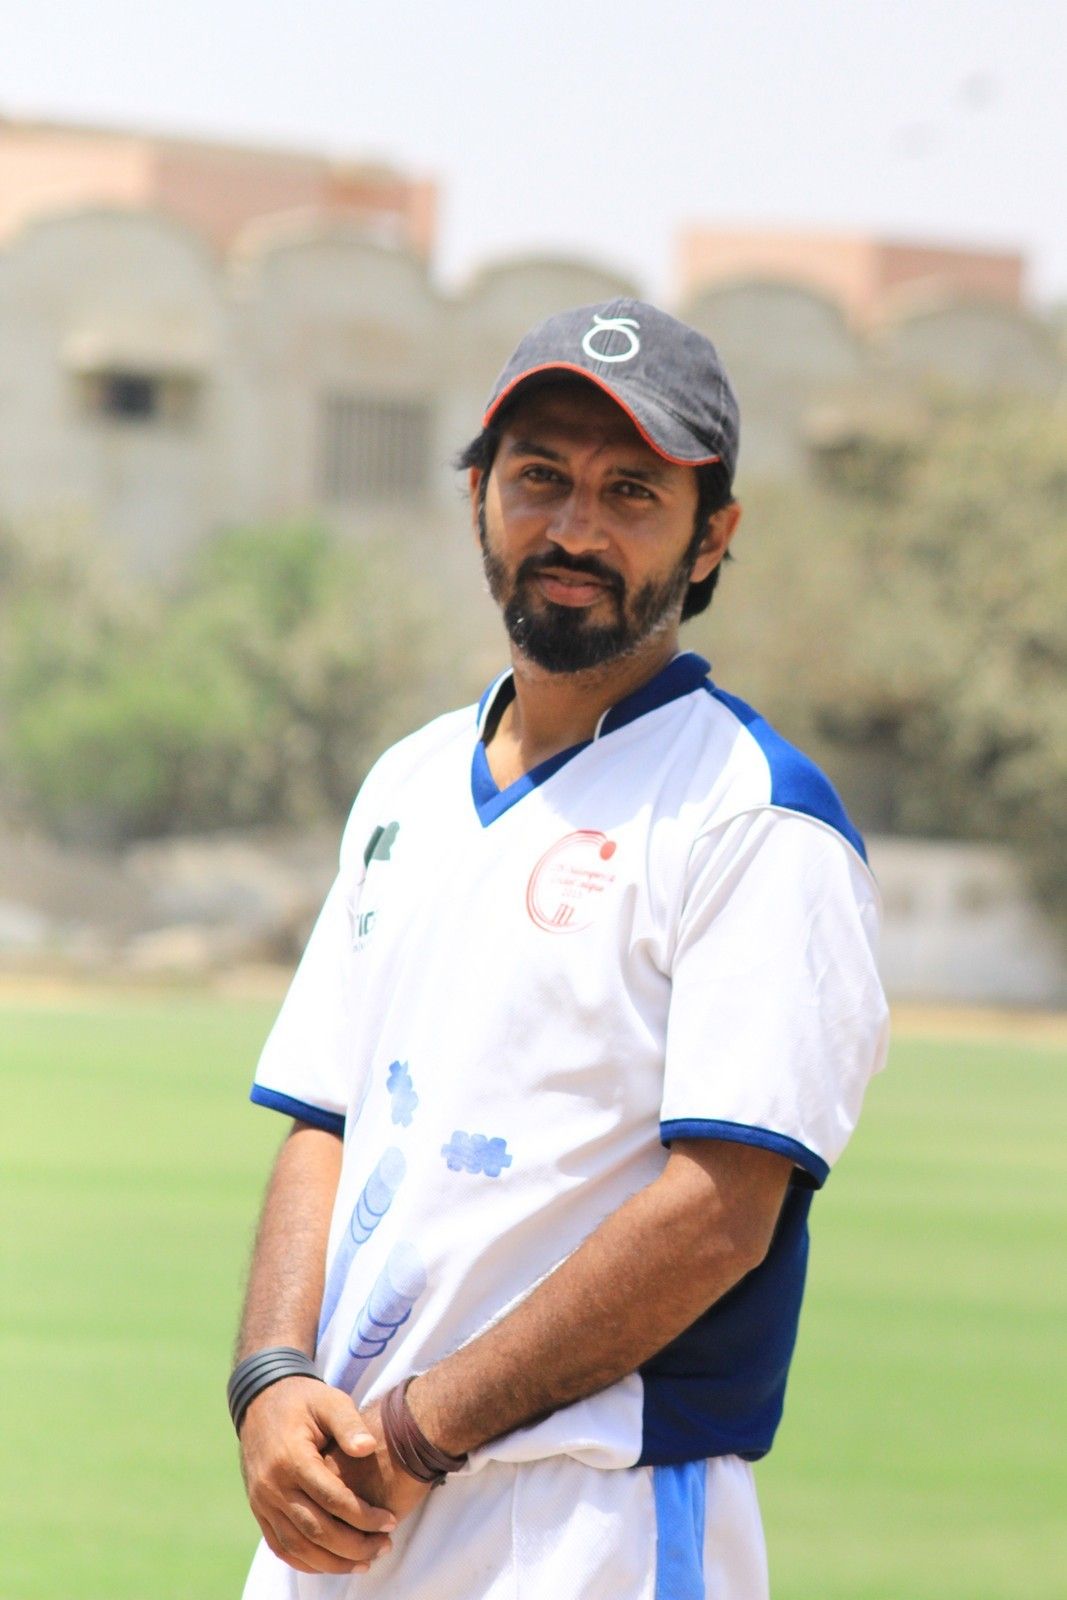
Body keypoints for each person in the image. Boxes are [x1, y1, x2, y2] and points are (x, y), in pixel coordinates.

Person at [231, 299, 889, 1600]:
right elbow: (323, 1119)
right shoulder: (409, 782)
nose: (576, 529)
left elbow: (718, 1217)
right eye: (540, 476)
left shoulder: (755, 817)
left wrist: (421, 1434)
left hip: (590, 1521)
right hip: (342, 1506)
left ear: (713, 536)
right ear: (478, 494)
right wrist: (270, 1379)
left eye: (632, 491)